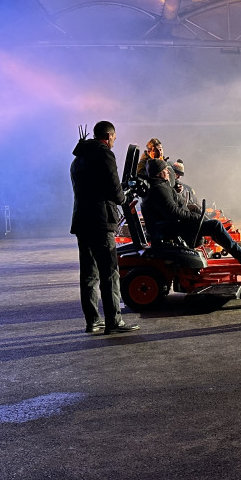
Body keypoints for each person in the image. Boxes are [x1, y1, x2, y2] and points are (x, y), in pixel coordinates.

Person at [70, 121, 139, 334]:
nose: (114, 142)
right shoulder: (105, 154)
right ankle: (114, 321)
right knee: (109, 272)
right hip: (101, 221)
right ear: (109, 136)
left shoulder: (77, 158)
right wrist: (126, 194)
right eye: (114, 139)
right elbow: (115, 191)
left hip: (82, 221)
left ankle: (92, 321)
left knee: (89, 274)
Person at [144, 158, 241, 264]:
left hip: (171, 227)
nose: (167, 172)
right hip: (173, 229)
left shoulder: (160, 187)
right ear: (159, 173)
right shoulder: (159, 189)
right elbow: (173, 213)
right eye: (165, 170)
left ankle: (240, 251)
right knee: (215, 225)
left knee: (211, 225)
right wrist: (195, 217)